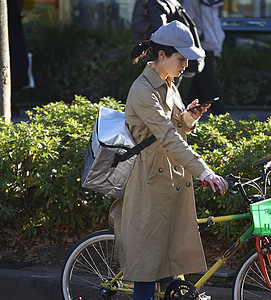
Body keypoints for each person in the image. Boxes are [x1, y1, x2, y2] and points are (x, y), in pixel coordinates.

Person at [114, 21, 228, 299]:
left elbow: (175, 128)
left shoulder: (168, 83)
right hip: (149, 185)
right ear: (161, 55)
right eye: (181, 57)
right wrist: (204, 172)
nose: (186, 64)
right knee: (147, 267)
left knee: (169, 263)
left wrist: (189, 117)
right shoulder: (142, 90)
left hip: (171, 182)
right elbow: (167, 137)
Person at [182, 0, 227, 115]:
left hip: (212, 47)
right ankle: (225, 120)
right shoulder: (192, 2)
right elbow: (186, 21)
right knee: (213, 89)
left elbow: (214, 22)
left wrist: (218, 38)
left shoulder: (215, 2)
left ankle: (181, 117)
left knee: (197, 92)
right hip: (201, 50)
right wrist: (201, 36)